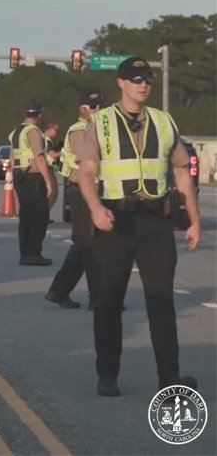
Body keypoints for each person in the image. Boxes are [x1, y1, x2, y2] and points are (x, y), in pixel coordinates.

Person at [78, 56, 201, 397]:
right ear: (121, 83)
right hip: (114, 221)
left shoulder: (163, 122)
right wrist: (96, 207)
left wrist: (193, 219)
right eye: (135, 79)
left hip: (154, 222)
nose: (143, 84)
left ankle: (169, 379)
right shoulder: (100, 123)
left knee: (160, 301)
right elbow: (86, 172)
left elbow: (181, 171)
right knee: (108, 301)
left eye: (147, 78)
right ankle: (107, 375)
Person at [45, 92, 104, 308]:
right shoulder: (81, 131)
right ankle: (96, 297)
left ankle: (60, 291)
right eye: (92, 106)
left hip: (95, 190)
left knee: (87, 245)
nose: (97, 110)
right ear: (82, 108)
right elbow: (89, 163)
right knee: (88, 245)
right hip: (82, 190)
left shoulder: (96, 129)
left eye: (100, 106)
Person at [8, 101, 53, 265]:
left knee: (26, 216)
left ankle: (25, 253)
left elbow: (12, 158)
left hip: (20, 175)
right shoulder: (34, 132)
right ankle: (34, 253)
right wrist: (48, 180)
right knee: (40, 216)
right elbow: (39, 156)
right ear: (39, 115)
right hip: (33, 177)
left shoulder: (17, 132)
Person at [42, 121, 61, 218]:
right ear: (49, 129)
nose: (57, 132)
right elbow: (52, 155)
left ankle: (43, 214)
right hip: (47, 167)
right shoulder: (48, 141)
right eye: (56, 130)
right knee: (53, 192)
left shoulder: (41, 139)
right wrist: (64, 153)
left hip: (43, 167)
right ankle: (44, 214)